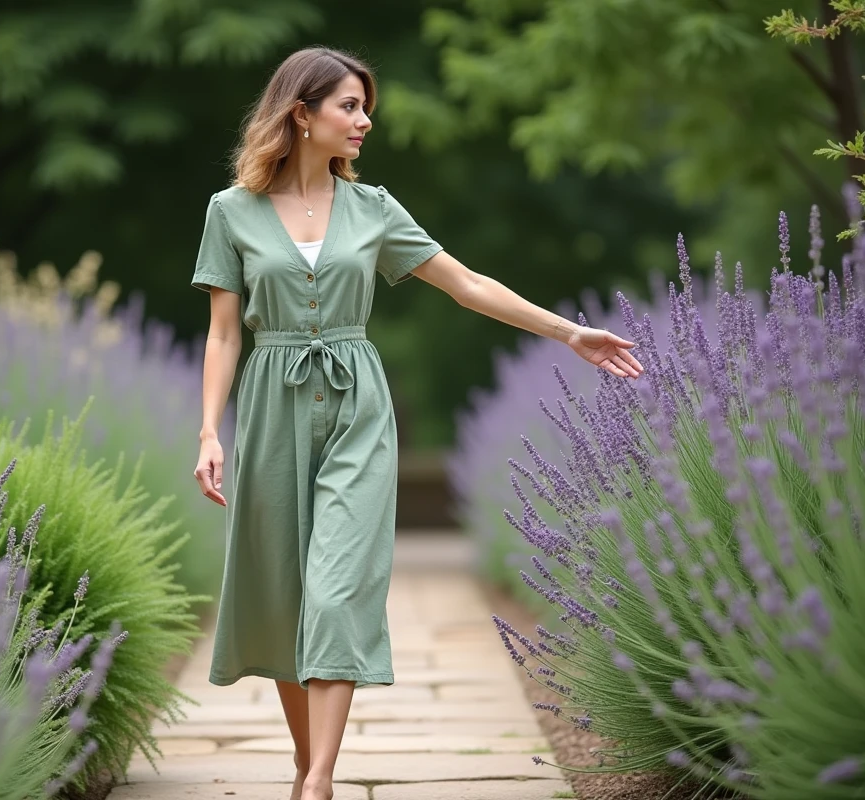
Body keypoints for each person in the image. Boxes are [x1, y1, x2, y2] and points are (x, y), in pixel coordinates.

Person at [191, 46, 643, 800]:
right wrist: (209, 430)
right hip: (269, 407)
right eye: (349, 106)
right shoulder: (229, 211)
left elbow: (464, 283)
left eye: (366, 108)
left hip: (357, 412)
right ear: (301, 114)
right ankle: (307, 764)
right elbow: (223, 332)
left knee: (336, 591)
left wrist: (569, 333)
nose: (364, 121)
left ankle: (320, 783)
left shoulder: (375, 209)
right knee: (283, 598)